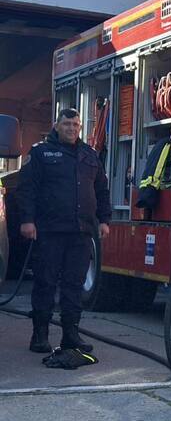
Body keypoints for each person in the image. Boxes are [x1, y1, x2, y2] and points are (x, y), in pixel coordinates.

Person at [17, 108, 110, 354]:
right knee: (45, 283)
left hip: (81, 232)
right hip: (49, 231)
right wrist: (27, 220)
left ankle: (71, 335)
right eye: (67, 123)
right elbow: (27, 190)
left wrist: (104, 220)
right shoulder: (40, 153)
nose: (72, 128)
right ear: (56, 126)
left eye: (76, 125)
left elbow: (101, 190)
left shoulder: (89, 155)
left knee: (74, 284)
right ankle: (40, 336)